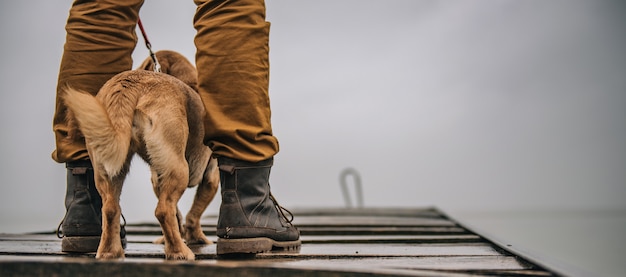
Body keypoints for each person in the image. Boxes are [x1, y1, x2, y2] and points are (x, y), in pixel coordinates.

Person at [52, 0, 300, 255]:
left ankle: (84, 206)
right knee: (228, 3)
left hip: (111, 148)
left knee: (102, 7)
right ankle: (248, 203)